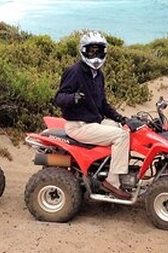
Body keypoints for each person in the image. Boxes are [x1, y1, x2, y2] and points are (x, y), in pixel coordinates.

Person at [53, 31, 131, 200]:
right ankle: (112, 182)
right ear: (83, 51)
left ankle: (111, 172)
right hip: (79, 126)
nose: (95, 55)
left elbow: (102, 104)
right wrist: (73, 98)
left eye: (98, 51)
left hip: (94, 122)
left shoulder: (98, 75)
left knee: (126, 130)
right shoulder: (74, 71)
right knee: (121, 136)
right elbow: (58, 98)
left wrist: (121, 118)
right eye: (91, 51)